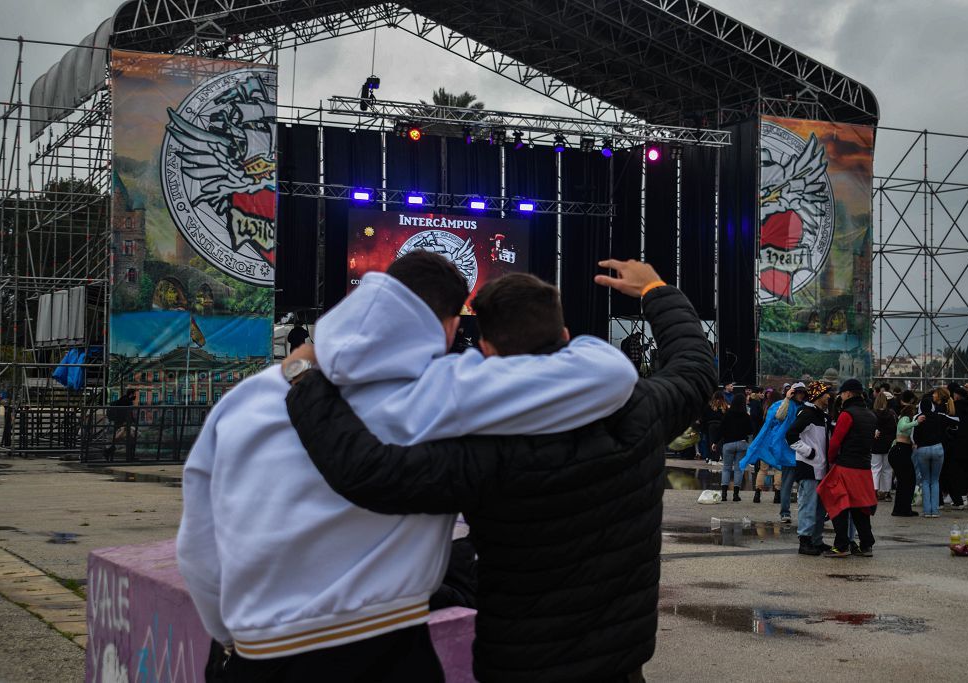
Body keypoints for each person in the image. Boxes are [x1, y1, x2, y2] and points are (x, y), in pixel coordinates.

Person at [177, 251, 641, 682]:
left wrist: (231, 631)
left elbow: (198, 544)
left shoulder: (248, 399)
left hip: (257, 652)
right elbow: (611, 375)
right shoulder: (444, 390)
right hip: (383, 647)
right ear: (448, 325)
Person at [286, 260, 716, 683]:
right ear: (565, 337)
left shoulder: (483, 445)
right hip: (620, 664)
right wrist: (656, 289)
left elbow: (369, 472)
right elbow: (694, 367)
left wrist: (306, 376)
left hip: (521, 663)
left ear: (486, 349)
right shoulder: (638, 409)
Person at [818, 378, 879, 558]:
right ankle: (866, 544)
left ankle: (841, 545)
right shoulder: (871, 415)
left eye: (842, 393)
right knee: (861, 507)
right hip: (864, 468)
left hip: (846, 466)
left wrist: (831, 460)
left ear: (848, 393)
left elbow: (836, 442)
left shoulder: (847, 414)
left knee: (838, 503)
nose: (841, 397)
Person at [740, 382, 806, 522]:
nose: (800, 395)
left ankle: (804, 512)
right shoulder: (783, 405)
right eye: (798, 392)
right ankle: (784, 512)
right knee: (786, 484)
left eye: (802, 392)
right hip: (786, 450)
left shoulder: (805, 407)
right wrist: (788, 399)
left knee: (805, 485)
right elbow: (779, 417)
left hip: (803, 451)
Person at [785, 381, 834, 555]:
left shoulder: (822, 415)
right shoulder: (807, 413)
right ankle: (804, 541)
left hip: (821, 467)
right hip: (809, 467)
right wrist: (808, 452)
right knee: (808, 505)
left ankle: (816, 540)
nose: (830, 395)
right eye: (827, 393)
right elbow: (790, 435)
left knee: (820, 507)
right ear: (818, 396)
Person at [912, 387, 957, 518]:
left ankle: (927, 511)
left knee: (925, 480)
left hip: (922, 449)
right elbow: (956, 422)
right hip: (937, 448)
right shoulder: (939, 416)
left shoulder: (918, 417)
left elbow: (914, 436)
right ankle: (935, 511)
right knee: (935, 480)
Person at [889, 403, 923, 517]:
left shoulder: (905, 419)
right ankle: (902, 509)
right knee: (907, 480)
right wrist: (916, 422)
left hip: (901, 451)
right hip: (900, 451)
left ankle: (903, 508)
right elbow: (903, 427)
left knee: (905, 481)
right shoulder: (905, 419)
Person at [718, 393, 752, 501]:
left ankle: (724, 494)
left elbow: (721, 429)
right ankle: (736, 495)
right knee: (739, 469)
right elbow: (751, 430)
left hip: (728, 444)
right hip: (742, 443)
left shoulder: (727, 415)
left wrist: (714, 442)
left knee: (726, 468)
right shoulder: (746, 416)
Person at [870, 392, 897, 501]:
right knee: (887, 469)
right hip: (888, 444)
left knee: (875, 468)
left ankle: (875, 491)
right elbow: (894, 429)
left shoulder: (872, 414)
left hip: (876, 444)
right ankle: (887, 492)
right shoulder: (891, 414)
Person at [106, 389, 136, 463]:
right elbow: (126, 413)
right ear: (131, 394)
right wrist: (128, 422)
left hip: (121, 423)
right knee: (132, 437)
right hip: (123, 424)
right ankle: (130, 457)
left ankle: (108, 452)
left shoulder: (123, 399)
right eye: (134, 394)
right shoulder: (126, 401)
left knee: (127, 439)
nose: (135, 396)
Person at [702, 391, 727, 464]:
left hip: (711, 425)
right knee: (719, 442)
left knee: (710, 442)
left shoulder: (709, 406)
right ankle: (716, 457)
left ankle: (710, 457)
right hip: (721, 425)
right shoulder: (725, 407)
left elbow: (704, 417)